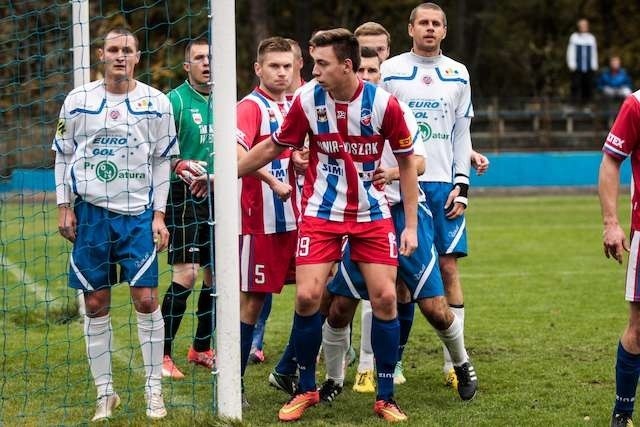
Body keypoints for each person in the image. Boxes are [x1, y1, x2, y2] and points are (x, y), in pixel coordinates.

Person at [238, 28, 419, 423]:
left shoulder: (384, 105)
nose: (313, 70)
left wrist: (411, 226)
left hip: (372, 214)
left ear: (347, 66)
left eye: (321, 63)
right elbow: (273, 147)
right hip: (322, 213)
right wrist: (225, 174)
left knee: (386, 299)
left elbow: (407, 162)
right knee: (306, 298)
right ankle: (305, 389)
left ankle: (385, 396)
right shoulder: (307, 100)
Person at [318, 45, 477, 411]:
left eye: (375, 71)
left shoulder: (395, 109)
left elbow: (418, 162)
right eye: (365, 71)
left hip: (408, 211)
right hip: (362, 216)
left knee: (435, 307)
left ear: (383, 76)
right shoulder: (333, 110)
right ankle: (334, 379)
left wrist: (391, 172)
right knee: (340, 305)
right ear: (352, 72)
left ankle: (461, 362)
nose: (371, 77)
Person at [53, 27, 178, 421]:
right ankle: (105, 393)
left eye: (127, 50)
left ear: (137, 57)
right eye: (113, 50)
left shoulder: (156, 103)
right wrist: (63, 205)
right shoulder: (78, 100)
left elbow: (162, 161)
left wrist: (159, 214)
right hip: (90, 214)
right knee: (95, 303)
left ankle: (153, 390)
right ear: (101, 55)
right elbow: (62, 154)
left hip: (138, 214)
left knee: (146, 299)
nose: (120, 56)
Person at [380, 3, 479, 391]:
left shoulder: (458, 74)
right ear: (410, 28)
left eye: (436, 24)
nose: (430, 29)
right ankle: (397, 359)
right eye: (423, 22)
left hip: (444, 185)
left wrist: (463, 183)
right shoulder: (390, 72)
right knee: (403, 280)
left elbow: (461, 134)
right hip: (404, 183)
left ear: (444, 30)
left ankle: (453, 364)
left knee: (450, 270)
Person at [234, 36, 298, 402]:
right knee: (253, 302)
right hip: (261, 223)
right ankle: (235, 381)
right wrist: (274, 180)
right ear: (258, 69)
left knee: (318, 293)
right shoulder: (249, 107)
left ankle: (288, 370)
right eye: (274, 66)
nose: (281, 72)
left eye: (287, 66)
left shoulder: (298, 104)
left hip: (302, 219)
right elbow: (237, 160)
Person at [160, 38, 216, 380]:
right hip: (183, 197)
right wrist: (179, 163)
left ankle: (200, 348)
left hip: (220, 194)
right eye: (199, 58)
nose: (206, 63)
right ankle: (162, 354)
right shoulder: (174, 102)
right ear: (187, 66)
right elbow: (159, 152)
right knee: (187, 274)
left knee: (217, 275)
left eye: (211, 57)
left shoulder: (227, 101)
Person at [599, 90, 640, 427]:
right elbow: (611, 160)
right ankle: (622, 414)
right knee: (638, 329)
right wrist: (611, 223)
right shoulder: (636, 104)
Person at [567, 18, 598, 105]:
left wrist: (594, 64)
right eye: (581, 26)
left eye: (585, 25)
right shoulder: (574, 37)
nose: (583, 27)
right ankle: (575, 105)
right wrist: (571, 64)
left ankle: (588, 105)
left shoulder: (591, 38)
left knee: (588, 86)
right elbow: (571, 51)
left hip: (588, 67)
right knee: (576, 86)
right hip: (577, 67)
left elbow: (594, 52)